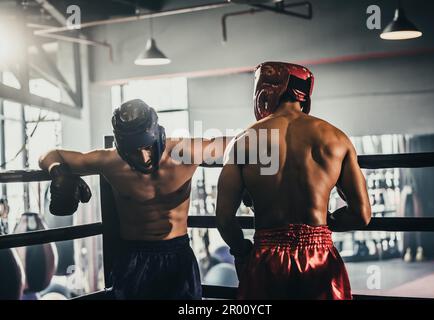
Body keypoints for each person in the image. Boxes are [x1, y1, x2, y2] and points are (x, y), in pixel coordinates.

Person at [39, 99, 228, 300]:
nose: (144, 156)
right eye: (133, 150)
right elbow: (48, 155)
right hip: (134, 258)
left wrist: (244, 178)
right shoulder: (109, 161)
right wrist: (59, 172)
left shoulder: (186, 152)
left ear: (158, 134)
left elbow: (241, 145)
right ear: (121, 146)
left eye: (147, 146)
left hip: (178, 254)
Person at [215, 61, 371, 300]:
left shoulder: (243, 142)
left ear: (264, 89)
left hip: (267, 257)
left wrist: (242, 252)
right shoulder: (337, 138)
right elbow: (362, 214)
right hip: (319, 257)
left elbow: (224, 219)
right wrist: (323, 226)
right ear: (305, 94)